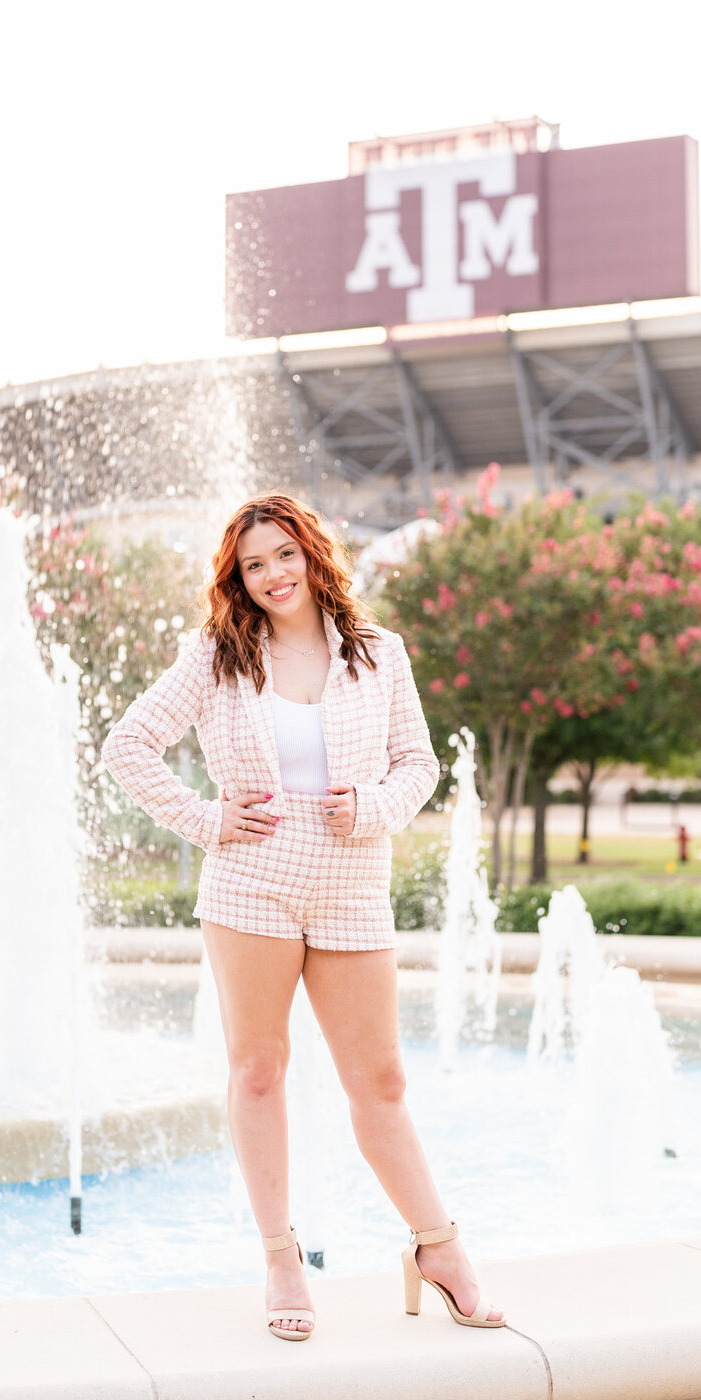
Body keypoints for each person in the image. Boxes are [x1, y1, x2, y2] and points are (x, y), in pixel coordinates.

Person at [102, 491, 504, 1342]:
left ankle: (439, 1249)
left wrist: (371, 807)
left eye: (284, 555)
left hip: (354, 884)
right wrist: (207, 820)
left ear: (313, 556)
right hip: (251, 885)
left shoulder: (379, 654)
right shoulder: (217, 655)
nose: (273, 575)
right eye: (254, 565)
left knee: (381, 1082)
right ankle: (283, 1259)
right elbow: (126, 746)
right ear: (237, 580)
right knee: (258, 1069)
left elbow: (418, 765)